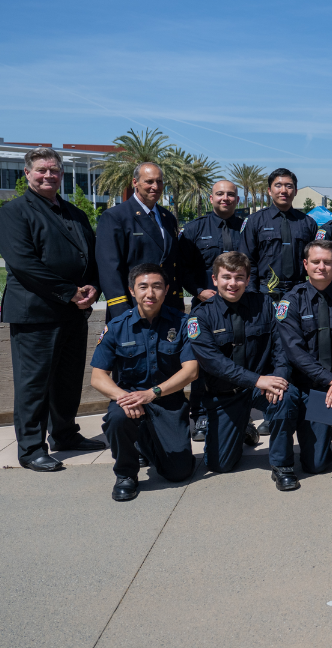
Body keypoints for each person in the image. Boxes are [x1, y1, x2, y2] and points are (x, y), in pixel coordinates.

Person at [0, 147, 105, 472]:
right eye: (41, 170)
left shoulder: (75, 213)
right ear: (27, 173)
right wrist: (69, 292)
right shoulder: (14, 212)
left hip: (74, 312)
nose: (48, 175)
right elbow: (23, 263)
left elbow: (93, 255)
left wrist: (92, 286)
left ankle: (65, 434)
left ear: (61, 174)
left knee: (68, 380)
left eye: (54, 170)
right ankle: (31, 449)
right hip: (36, 314)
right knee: (34, 383)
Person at [89, 263, 199, 501]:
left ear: (167, 289)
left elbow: (191, 371)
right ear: (132, 290)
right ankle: (126, 475)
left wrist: (152, 393)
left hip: (167, 400)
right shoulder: (117, 327)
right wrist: (123, 398)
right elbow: (97, 377)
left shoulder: (182, 324)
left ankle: (144, 442)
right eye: (143, 287)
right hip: (131, 401)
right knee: (118, 416)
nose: (150, 293)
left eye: (157, 286)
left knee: (179, 472)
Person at [271, 241, 332, 491]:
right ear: (305, 265)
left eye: (327, 262)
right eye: (315, 262)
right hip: (310, 388)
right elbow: (295, 353)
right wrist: (330, 379)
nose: (321, 267)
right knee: (315, 464)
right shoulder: (291, 301)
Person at [188, 252, 292, 473]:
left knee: (287, 397)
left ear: (247, 279)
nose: (232, 283)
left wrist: (279, 376)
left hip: (261, 388)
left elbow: (280, 347)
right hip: (226, 394)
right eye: (226, 277)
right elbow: (214, 363)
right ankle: (242, 427)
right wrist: (257, 380)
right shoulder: (200, 316)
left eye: (239, 277)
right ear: (214, 280)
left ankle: (282, 465)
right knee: (220, 465)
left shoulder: (264, 304)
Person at [178, 179, 245, 441]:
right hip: (206, 305)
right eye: (220, 194)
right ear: (211, 197)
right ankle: (201, 414)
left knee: (240, 355)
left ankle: (242, 411)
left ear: (237, 200)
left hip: (241, 306)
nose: (225, 198)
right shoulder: (194, 229)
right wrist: (197, 290)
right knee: (203, 360)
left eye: (230, 194)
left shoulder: (246, 228)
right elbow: (182, 268)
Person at [95, 162, 182, 320]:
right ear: (135, 182)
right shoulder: (116, 217)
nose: (155, 186)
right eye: (149, 181)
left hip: (167, 309)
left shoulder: (167, 218)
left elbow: (172, 263)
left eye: (159, 181)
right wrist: (122, 313)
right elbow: (110, 269)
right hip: (133, 310)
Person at [241, 168, 318, 302]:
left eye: (289, 186)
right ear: (269, 191)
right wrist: (251, 294)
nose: (283, 190)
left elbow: (316, 260)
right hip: (265, 291)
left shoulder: (308, 223)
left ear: (295, 191)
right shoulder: (255, 221)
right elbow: (247, 261)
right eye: (278, 185)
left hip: (300, 290)